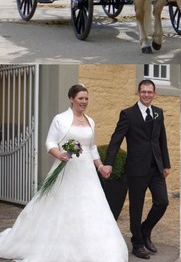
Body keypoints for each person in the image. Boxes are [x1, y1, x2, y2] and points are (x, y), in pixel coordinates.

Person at [0, 84, 128, 262]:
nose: (84, 102)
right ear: (71, 99)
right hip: (65, 170)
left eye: (86, 98)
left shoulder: (90, 121)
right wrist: (58, 154)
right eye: (80, 98)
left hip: (87, 174)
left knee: (90, 208)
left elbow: (91, 147)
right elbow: (50, 143)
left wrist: (100, 166)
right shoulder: (60, 119)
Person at [101, 79, 171, 260]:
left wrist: (166, 164)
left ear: (154, 94)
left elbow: (161, 139)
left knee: (162, 202)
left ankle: (145, 230)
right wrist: (108, 162)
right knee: (136, 207)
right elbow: (116, 139)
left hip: (156, 168)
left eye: (150, 92)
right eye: (143, 92)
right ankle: (137, 244)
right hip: (136, 169)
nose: (147, 95)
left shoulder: (158, 113)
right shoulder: (128, 114)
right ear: (138, 93)